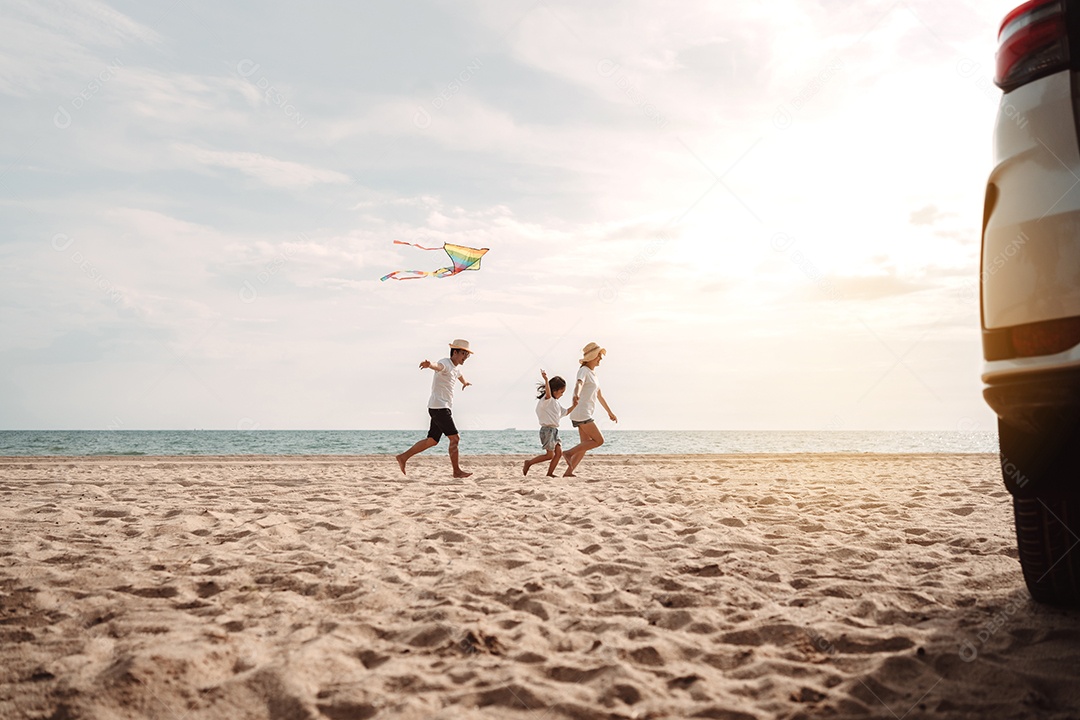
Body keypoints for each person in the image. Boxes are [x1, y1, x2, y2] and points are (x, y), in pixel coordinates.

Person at [396, 339, 474, 478]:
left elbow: (459, 375)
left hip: (440, 407)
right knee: (455, 438)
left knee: (432, 440)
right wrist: (429, 364)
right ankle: (456, 471)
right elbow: (437, 366)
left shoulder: (456, 367)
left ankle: (403, 457)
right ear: (455, 352)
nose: (465, 357)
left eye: (467, 355)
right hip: (439, 407)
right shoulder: (445, 363)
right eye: (463, 354)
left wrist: (465, 382)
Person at [563, 342, 617, 477]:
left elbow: (599, 395)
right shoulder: (583, 371)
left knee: (585, 444)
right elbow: (579, 383)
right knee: (599, 440)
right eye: (599, 356)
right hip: (582, 412)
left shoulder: (594, 375)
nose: (600, 359)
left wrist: (610, 412)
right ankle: (568, 453)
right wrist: (576, 394)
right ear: (592, 357)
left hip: (584, 411)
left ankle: (568, 472)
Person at [523, 369, 578, 478]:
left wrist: (575, 405)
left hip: (554, 431)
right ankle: (529, 463)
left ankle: (549, 473)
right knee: (550, 455)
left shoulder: (556, 403)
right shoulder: (547, 400)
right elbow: (548, 393)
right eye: (561, 392)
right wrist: (546, 379)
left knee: (558, 453)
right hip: (547, 430)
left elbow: (565, 412)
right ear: (555, 390)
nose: (562, 394)